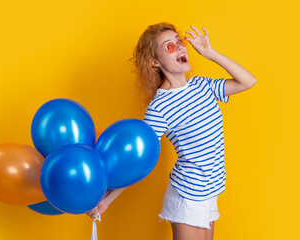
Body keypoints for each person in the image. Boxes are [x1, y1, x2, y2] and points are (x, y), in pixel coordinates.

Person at [88, 22, 257, 240]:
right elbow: (139, 158)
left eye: (180, 42)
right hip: (187, 197)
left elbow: (248, 81)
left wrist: (209, 53)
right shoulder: (160, 107)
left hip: (209, 192)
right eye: (169, 46)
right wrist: (107, 200)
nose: (179, 47)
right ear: (155, 62)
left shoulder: (202, 86)